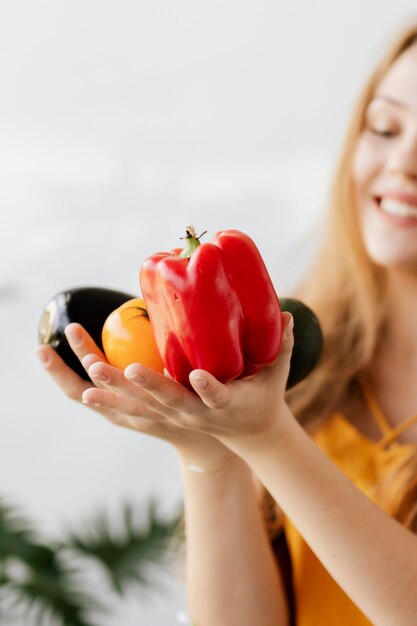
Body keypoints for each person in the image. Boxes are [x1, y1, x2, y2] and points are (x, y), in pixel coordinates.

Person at [36, 21, 417, 626]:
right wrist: (211, 452)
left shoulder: (272, 402)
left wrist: (267, 439)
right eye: (385, 128)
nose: (404, 163)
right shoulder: (294, 363)